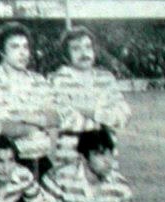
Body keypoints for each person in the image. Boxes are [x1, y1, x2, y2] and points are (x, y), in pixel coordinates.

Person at [0, 22, 73, 179]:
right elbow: (3, 127)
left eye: (25, 47)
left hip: (42, 160)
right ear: (2, 52)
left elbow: (57, 117)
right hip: (10, 165)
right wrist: (40, 123)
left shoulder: (39, 81)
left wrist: (23, 117)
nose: (22, 53)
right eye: (15, 47)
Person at [49, 26, 131, 165]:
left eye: (88, 47)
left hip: (105, 158)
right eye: (76, 49)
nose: (84, 53)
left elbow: (123, 116)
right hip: (70, 157)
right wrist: (104, 117)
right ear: (66, 53)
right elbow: (64, 120)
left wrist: (88, 112)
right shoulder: (57, 80)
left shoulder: (106, 79)